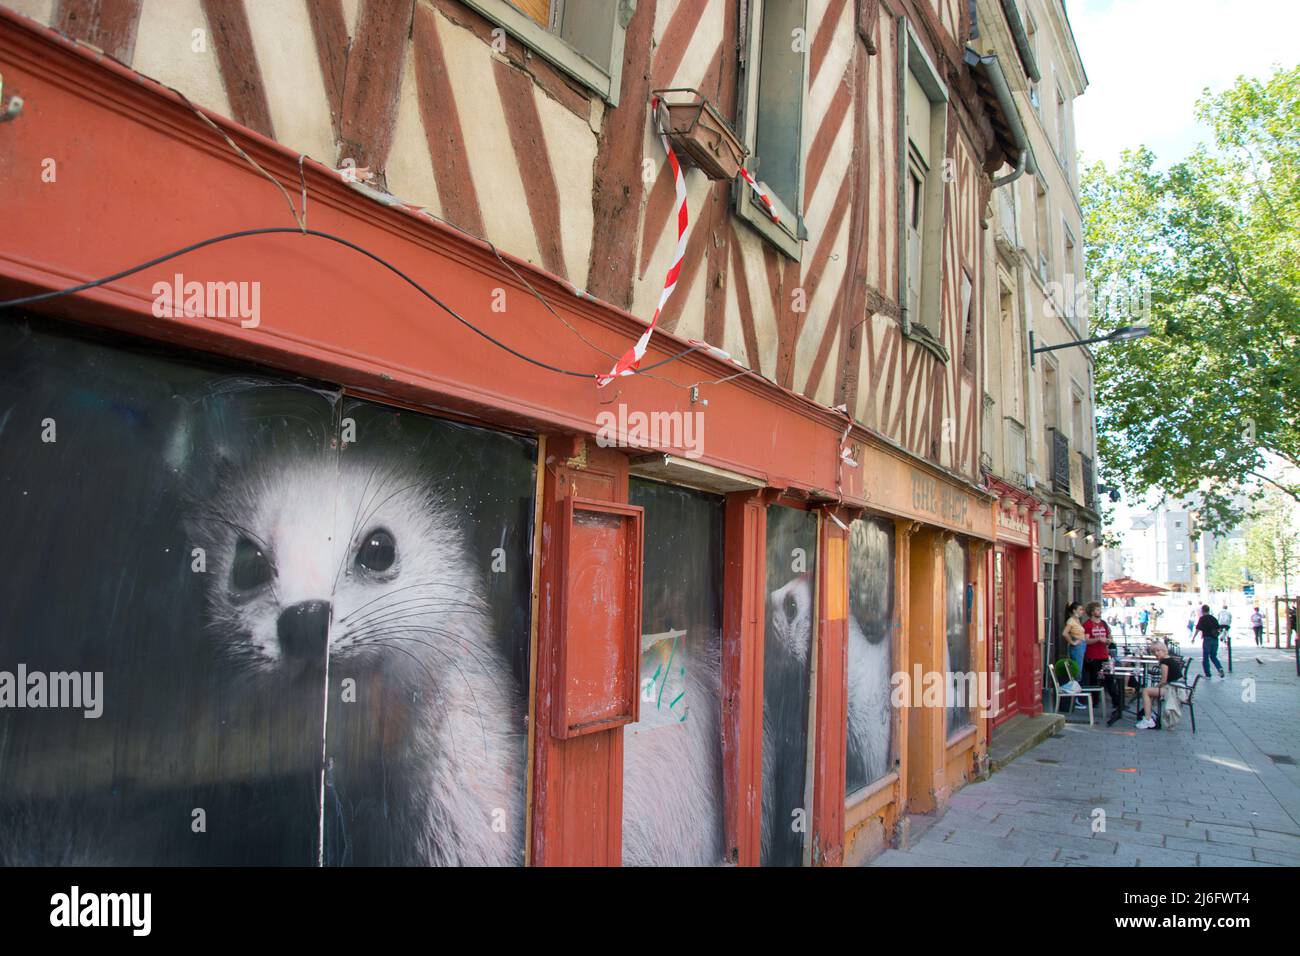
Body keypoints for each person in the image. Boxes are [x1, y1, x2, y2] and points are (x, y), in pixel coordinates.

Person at [1136, 642, 1185, 730]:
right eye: (1154, 651)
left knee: (1145, 691)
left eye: (1158, 651)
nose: (1156, 653)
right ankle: (1149, 714)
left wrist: (1156, 686)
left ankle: (1148, 719)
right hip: (1178, 686)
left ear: (1164, 650)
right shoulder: (1170, 659)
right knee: (1150, 692)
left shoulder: (1164, 663)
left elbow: (1163, 680)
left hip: (1173, 689)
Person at [1081, 601, 1113, 709]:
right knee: (1094, 679)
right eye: (1097, 609)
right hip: (1093, 656)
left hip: (1104, 655)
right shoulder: (1087, 624)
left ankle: (1116, 700)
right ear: (1092, 612)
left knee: (1109, 677)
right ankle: (1095, 701)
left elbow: (1109, 636)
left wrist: (1108, 640)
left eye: (1100, 609)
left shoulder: (1103, 623)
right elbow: (1086, 640)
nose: (1100, 611)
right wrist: (1098, 639)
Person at [1062, 602, 1086, 707]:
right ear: (1074, 610)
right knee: (1076, 672)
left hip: (1081, 645)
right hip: (1077, 646)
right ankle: (1074, 698)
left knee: (1078, 670)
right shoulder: (1071, 620)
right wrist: (1072, 642)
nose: (1082, 611)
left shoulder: (1077, 620)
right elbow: (1064, 633)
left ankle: (1075, 698)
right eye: (1080, 609)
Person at [1194, 604, 1225, 679]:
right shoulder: (1213, 618)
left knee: (1205, 657)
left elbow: (1198, 628)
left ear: (1202, 611)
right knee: (1213, 656)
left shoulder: (1202, 618)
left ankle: (1208, 674)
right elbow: (1219, 628)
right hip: (1215, 639)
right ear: (1209, 610)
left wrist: (1193, 637)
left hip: (1207, 639)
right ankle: (1219, 668)